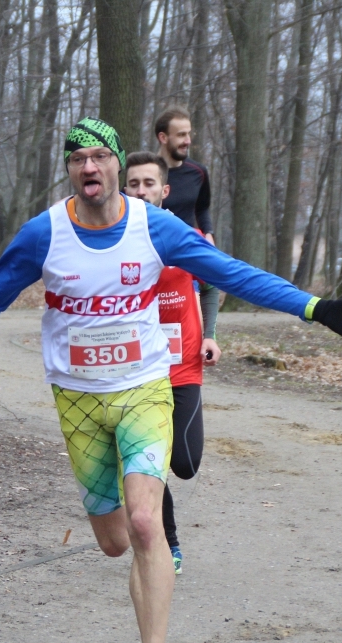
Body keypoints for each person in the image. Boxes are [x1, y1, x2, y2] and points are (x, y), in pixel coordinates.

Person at [0, 117, 342, 643]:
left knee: (143, 523)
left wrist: (314, 308)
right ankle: (139, 568)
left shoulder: (154, 227)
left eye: (98, 156)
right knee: (113, 543)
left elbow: (230, 272)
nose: (89, 167)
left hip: (144, 390)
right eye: (77, 158)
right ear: (69, 170)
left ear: (115, 163)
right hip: (78, 399)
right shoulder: (43, 234)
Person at [124, 151, 221, 576]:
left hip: (183, 366)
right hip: (137, 371)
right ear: (124, 189)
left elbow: (212, 284)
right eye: (133, 184)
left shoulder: (187, 236)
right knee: (151, 462)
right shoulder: (114, 241)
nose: (141, 191)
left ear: (164, 191)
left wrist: (211, 333)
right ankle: (167, 542)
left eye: (149, 184)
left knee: (184, 463)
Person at [154, 107, 213, 244]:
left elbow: (202, 208)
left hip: (184, 248)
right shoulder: (143, 172)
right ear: (163, 138)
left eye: (188, 134)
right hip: (151, 248)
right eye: (181, 135)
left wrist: (208, 234)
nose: (188, 141)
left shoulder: (198, 172)